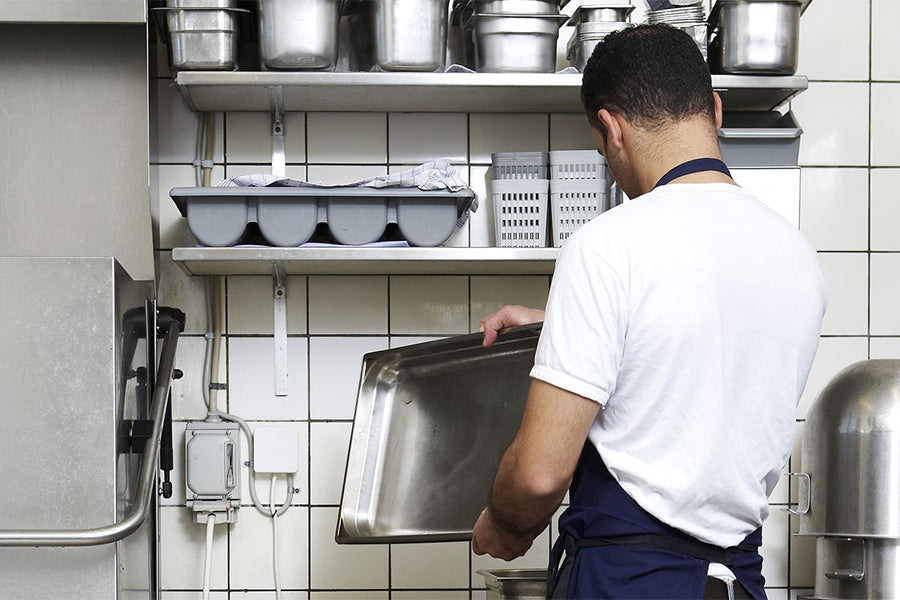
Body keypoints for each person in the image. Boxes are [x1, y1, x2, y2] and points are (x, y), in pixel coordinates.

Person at [471, 24, 827, 600]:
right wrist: (562, 325)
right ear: (715, 110)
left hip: (627, 584)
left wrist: (504, 522)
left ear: (610, 130)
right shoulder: (796, 255)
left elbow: (539, 474)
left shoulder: (609, 244)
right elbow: (705, 347)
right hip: (737, 584)